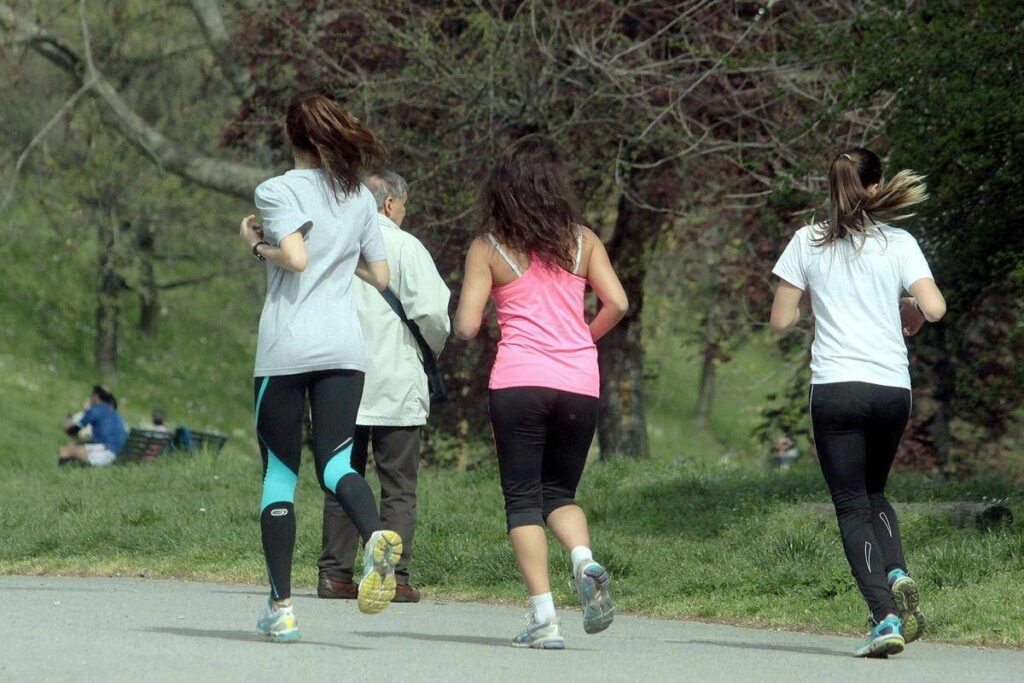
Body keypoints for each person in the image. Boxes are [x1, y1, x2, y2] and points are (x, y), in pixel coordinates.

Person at [238, 89, 403, 644]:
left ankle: (281, 608)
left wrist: (256, 245)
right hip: (343, 350)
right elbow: (380, 275)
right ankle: (375, 536)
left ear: (292, 136)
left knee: (280, 474)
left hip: (286, 350)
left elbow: (295, 256)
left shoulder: (277, 189)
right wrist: (338, 258)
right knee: (335, 463)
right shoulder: (359, 197)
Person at [770, 147, 946, 657]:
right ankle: (895, 570)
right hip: (891, 389)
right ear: (877, 185)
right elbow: (934, 307)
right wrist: (908, 307)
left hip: (837, 388)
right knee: (873, 491)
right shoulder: (899, 242)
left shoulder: (807, 241)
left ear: (832, 186)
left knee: (850, 504)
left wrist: (817, 294)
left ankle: (884, 617)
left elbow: (781, 320)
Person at [454, 136, 629, 649]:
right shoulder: (584, 241)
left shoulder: (488, 247)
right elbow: (618, 302)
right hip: (579, 382)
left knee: (523, 500)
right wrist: (582, 339)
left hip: (519, 381)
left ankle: (545, 618)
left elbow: (466, 325)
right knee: (560, 494)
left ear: (503, 188)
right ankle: (584, 560)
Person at [318, 170, 450, 603]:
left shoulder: (336, 245)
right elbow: (434, 314)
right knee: (398, 487)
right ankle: (392, 577)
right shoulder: (407, 247)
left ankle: (334, 574)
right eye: (404, 206)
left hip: (340, 379)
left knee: (342, 477)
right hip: (395, 380)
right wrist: (429, 350)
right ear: (390, 204)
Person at [59, 385, 127, 467]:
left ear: (96, 396)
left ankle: (64, 471)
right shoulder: (114, 413)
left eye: (91, 396)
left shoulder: (95, 410)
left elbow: (73, 430)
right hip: (114, 451)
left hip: (105, 451)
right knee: (76, 448)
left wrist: (67, 424)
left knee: (65, 451)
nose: (90, 399)